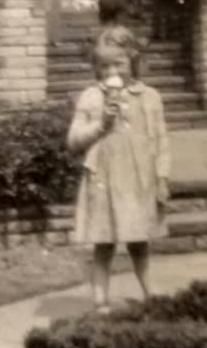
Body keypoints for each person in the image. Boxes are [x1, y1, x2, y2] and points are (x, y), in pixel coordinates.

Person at [67, 26, 170, 312]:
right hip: (104, 176)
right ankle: (100, 299)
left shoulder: (149, 96)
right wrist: (101, 123)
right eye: (104, 65)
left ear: (133, 62)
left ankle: (150, 291)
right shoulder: (90, 96)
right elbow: (73, 140)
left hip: (139, 177)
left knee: (139, 240)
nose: (111, 70)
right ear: (96, 68)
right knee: (105, 241)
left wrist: (162, 178)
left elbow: (161, 140)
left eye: (119, 63)